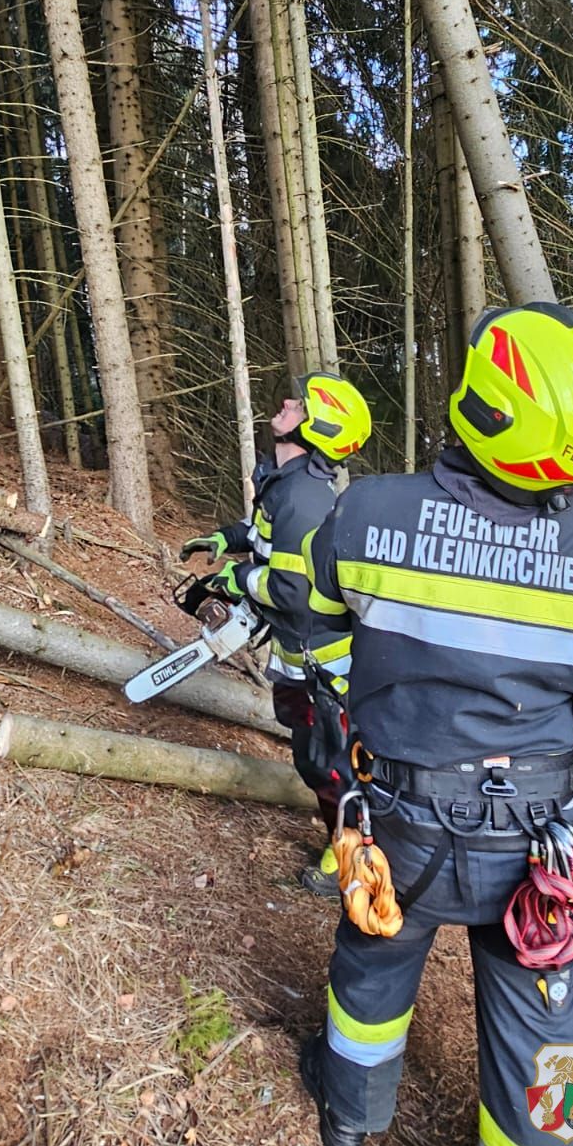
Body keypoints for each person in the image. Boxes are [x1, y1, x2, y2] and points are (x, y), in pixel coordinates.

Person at [297, 304, 573, 1146]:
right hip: (542, 837)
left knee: (371, 966)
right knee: (553, 1026)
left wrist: (365, 702)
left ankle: (349, 1119)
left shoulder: (367, 512)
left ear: (481, 407)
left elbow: (316, 630)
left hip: (400, 819)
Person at [181, 372, 372, 895]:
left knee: (331, 766)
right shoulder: (285, 483)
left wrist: (235, 577)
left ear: (318, 429)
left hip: (324, 664)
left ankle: (352, 859)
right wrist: (224, 538)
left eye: (301, 405)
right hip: (297, 652)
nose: (288, 403)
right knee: (313, 759)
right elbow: (264, 533)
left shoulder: (305, 499)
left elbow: (291, 589)